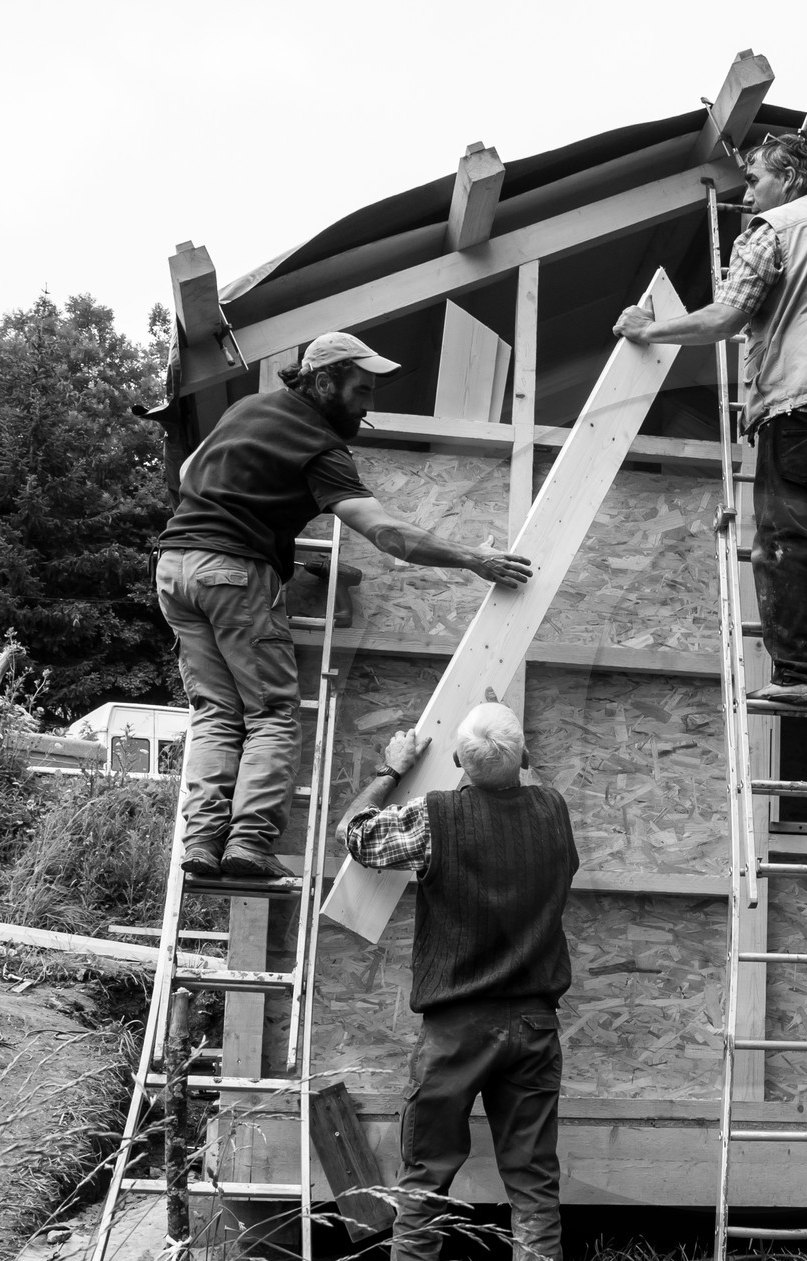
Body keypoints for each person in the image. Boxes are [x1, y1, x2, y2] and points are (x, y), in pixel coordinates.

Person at [156, 332, 533, 880]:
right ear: (324, 382)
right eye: (360, 390)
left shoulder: (247, 408)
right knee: (270, 712)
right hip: (234, 572)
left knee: (216, 711)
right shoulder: (317, 442)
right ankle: (247, 846)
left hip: (174, 567)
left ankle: (200, 844)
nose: (367, 404)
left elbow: (189, 469)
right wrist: (475, 559)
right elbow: (385, 533)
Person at [614, 132, 807, 708]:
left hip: (803, 400)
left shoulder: (771, 232)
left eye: (754, 180)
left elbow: (728, 316)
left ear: (791, 179)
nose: (747, 195)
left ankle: (801, 674)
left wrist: (645, 330)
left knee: (784, 541)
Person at [336, 703, 578, 1261]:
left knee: (427, 1180)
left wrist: (390, 769)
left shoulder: (434, 818)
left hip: (456, 1031)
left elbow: (355, 835)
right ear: (524, 758)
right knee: (532, 1185)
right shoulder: (555, 811)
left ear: (456, 763)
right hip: (532, 1025)